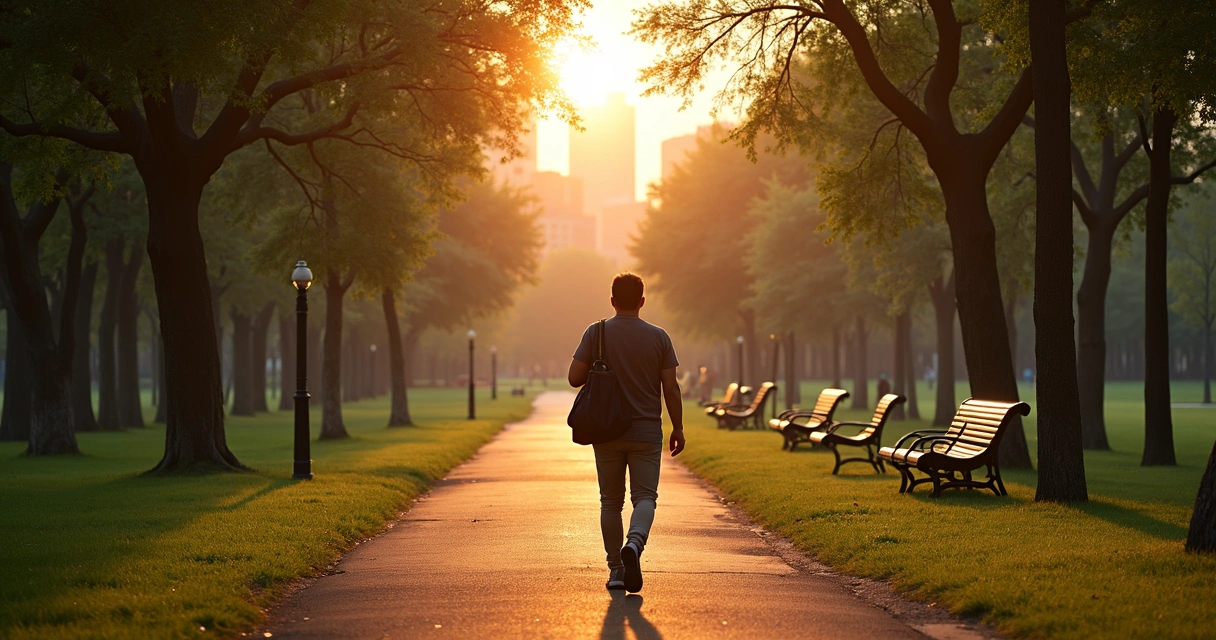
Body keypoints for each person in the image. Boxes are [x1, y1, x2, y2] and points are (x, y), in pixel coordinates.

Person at [568, 272, 685, 594]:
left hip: (606, 429)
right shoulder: (659, 337)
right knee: (645, 497)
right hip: (646, 430)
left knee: (610, 502)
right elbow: (671, 389)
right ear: (642, 301)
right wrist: (678, 427)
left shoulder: (597, 333)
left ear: (612, 300)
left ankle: (616, 570)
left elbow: (574, 378)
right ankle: (634, 543)